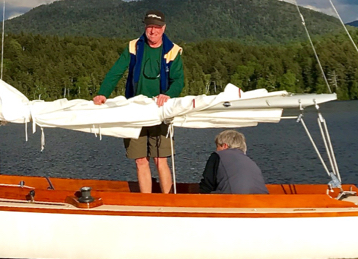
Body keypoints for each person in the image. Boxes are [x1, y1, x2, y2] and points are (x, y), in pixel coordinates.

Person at [92, 10, 184, 194]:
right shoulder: (133, 47)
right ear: (145, 27)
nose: (153, 31)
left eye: (157, 27)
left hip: (161, 111)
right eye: (150, 26)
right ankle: (146, 201)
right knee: (141, 160)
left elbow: (179, 80)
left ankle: (167, 202)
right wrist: (102, 93)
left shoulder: (173, 50)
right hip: (134, 111)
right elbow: (115, 72)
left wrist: (168, 95)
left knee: (160, 159)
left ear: (163, 28)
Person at [199, 129, 269, 195]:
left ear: (224, 146)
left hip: (233, 201)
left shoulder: (218, 155)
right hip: (263, 201)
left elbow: (207, 184)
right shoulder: (250, 161)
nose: (216, 150)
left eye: (217, 146)